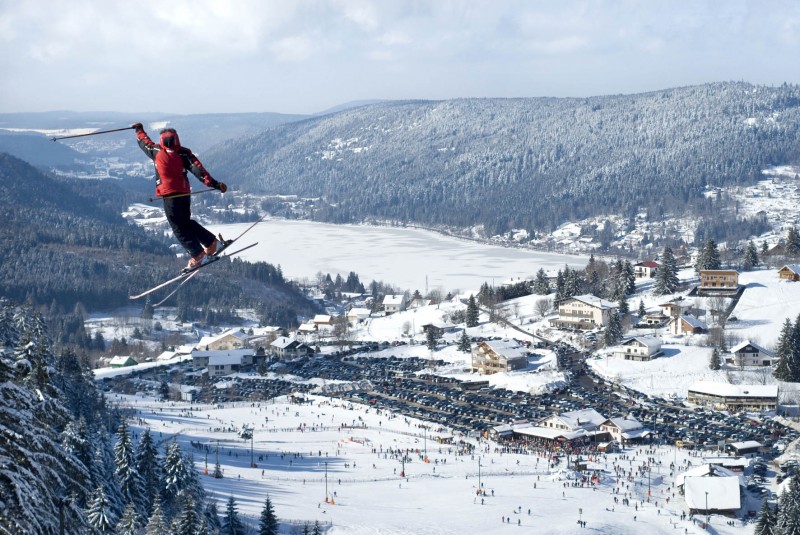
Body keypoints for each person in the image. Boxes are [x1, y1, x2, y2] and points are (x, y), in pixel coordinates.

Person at [132, 123, 227, 269]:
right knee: (186, 222)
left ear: (162, 140)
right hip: (184, 193)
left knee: (178, 227)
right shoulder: (184, 153)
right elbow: (199, 171)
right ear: (177, 139)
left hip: (169, 196)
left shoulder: (156, 151)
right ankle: (211, 243)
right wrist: (215, 184)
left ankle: (198, 255)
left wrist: (139, 129)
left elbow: (144, 142)